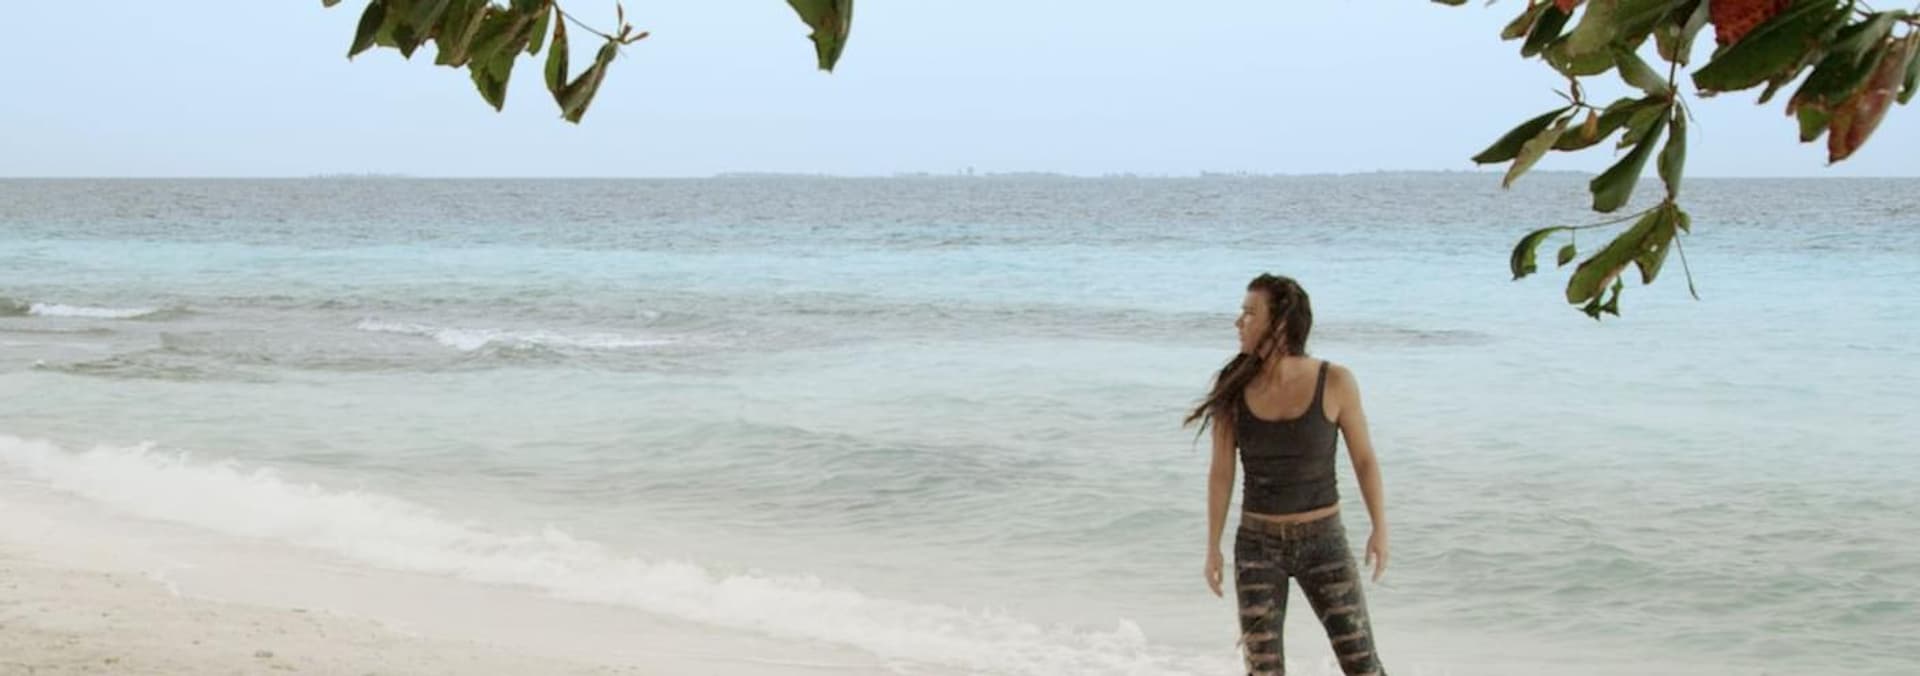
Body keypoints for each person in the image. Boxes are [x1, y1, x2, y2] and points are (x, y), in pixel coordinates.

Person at [1187, 273, 1390, 676]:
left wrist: (1379, 527)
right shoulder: (1233, 386)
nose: (1238, 322)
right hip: (1257, 546)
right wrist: (1213, 545)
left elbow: (1365, 459)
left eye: (1249, 313)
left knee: (1362, 664)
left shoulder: (1335, 381)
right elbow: (1221, 472)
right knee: (1263, 670)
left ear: (1278, 322)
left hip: (1324, 542)